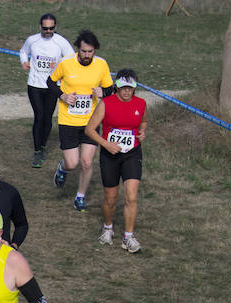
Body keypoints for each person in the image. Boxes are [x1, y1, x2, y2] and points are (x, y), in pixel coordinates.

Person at [48, 29, 114, 212]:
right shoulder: (66, 63)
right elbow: (50, 83)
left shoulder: (101, 65)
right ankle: (63, 168)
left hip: (90, 122)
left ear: (95, 51)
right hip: (68, 120)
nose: (86, 55)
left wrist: (104, 92)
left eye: (90, 52)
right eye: (83, 51)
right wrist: (63, 96)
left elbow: (110, 89)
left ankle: (80, 196)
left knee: (86, 162)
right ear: (78, 49)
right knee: (73, 163)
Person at [84, 69, 148, 253]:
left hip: (132, 154)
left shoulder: (141, 104)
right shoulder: (106, 104)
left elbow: (143, 121)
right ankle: (108, 227)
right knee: (111, 199)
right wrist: (106, 144)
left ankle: (129, 237)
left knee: (132, 196)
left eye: (130, 88)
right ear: (116, 87)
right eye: (123, 88)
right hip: (110, 156)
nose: (127, 92)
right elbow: (89, 129)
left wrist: (143, 132)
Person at [19, 13, 73, 168]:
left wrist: (58, 64)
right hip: (34, 84)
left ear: (55, 27)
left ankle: (42, 145)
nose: (48, 31)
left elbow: (71, 58)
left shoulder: (61, 42)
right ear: (40, 27)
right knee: (39, 115)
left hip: (52, 86)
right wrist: (24, 61)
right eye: (45, 28)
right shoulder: (32, 40)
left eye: (51, 28)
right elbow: (23, 51)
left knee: (48, 117)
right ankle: (37, 151)